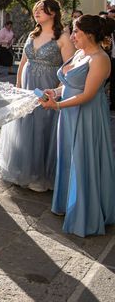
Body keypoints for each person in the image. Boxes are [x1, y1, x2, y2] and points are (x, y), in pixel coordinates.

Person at [39, 15, 115, 237]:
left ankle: (85, 213)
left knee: (83, 158)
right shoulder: (81, 54)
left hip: (86, 115)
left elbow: (88, 94)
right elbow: (70, 85)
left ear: (89, 34)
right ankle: (68, 203)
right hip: (68, 113)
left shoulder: (100, 59)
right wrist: (54, 93)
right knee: (68, 158)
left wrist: (57, 105)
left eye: (76, 32)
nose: (72, 36)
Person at [0, 0, 75, 191]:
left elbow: (69, 68)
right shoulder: (32, 34)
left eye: (41, 10)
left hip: (48, 87)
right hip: (27, 86)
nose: (36, 13)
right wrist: (18, 86)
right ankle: (24, 170)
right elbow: (23, 62)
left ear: (53, 13)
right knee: (25, 126)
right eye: (36, 9)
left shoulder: (62, 38)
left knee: (42, 127)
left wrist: (56, 91)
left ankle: (41, 175)